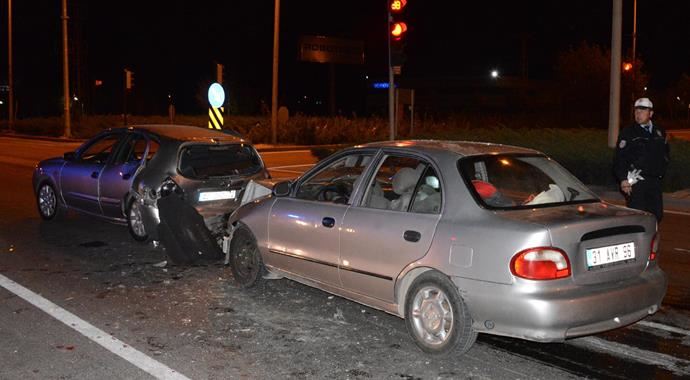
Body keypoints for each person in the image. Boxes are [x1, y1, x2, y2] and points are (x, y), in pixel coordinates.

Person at [613, 97, 670, 221]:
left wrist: (661, 170)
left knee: (656, 216)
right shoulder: (628, 132)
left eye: (643, 111)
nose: (638, 114)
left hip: (655, 181)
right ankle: (636, 240)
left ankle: (651, 240)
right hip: (636, 181)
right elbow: (619, 158)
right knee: (638, 217)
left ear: (651, 113)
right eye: (636, 111)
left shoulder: (659, 131)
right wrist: (623, 179)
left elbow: (665, 153)